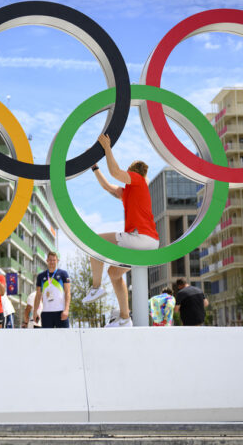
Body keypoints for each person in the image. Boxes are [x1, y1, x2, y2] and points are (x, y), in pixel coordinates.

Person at [81, 134, 159, 328]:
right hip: (146, 243)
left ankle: (96, 287)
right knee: (114, 273)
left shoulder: (138, 180)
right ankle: (125, 318)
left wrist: (107, 148)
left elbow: (115, 172)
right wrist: (94, 167)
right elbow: (108, 186)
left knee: (94, 242)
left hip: (139, 237)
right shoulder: (129, 193)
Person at [34, 252, 71, 328]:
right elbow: (38, 295)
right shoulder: (41, 276)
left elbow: (67, 293)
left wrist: (66, 310)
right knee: (47, 339)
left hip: (61, 312)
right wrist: (35, 312)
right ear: (47, 260)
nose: (52, 262)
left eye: (54, 260)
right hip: (46, 313)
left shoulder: (63, 274)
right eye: (50, 260)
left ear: (57, 261)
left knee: (64, 338)